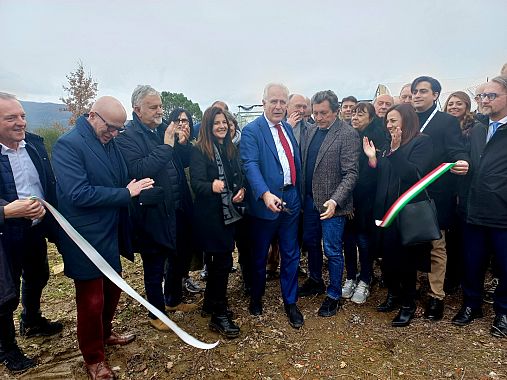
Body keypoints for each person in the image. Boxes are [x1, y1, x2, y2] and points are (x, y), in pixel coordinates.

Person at [52, 96, 153, 380]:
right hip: (83, 235)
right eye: (111, 127)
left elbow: (119, 177)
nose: (115, 134)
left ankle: (106, 333)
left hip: (110, 230)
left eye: (119, 129)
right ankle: (93, 357)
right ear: (92, 116)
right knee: (91, 299)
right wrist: (125, 194)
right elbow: (77, 193)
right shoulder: (68, 145)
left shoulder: (110, 142)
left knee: (113, 288)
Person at [116, 86, 197, 332]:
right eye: (153, 107)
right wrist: (167, 146)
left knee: (178, 255)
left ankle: (172, 300)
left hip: (177, 206)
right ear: (137, 109)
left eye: (160, 106)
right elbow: (140, 170)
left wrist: (182, 145)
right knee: (154, 262)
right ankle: (156, 313)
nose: (160, 111)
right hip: (151, 211)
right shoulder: (126, 137)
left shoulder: (163, 130)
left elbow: (182, 163)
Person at [0, 92, 63, 373]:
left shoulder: (34, 146)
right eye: (11, 117)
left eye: (22, 116)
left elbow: (46, 184)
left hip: (35, 229)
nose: (20, 122)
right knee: (4, 295)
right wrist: (6, 211)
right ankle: (7, 349)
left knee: (38, 275)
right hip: (4, 237)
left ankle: (32, 320)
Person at [240, 83, 304, 328]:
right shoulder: (252, 131)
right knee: (260, 255)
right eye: (273, 101)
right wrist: (264, 194)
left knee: (290, 253)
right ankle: (256, 297)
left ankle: (290, 301)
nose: (278, 106)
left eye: (282, 102)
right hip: (266, 204)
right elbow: (250, 165)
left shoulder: (287, 128)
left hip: (291, 199)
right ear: (263, 102)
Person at [365, 104, 434, 327]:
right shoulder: (388, 144)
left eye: (394, 120)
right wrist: (373, 160)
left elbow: (413, 175)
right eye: (387, 121)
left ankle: (408, 304)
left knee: (406, 261)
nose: (389, 125)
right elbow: (383, 175)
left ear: (407, 120)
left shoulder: (422, 142)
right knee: (386, 258)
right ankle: (393, 295)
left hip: (406, 212)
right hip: (385, 211)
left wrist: (396, 152)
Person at [451, 76, 507, 339]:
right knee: (472, 262)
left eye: (491, 96)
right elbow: (463, 153)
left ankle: (503, 312)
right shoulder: (476, 129)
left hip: (502, 213)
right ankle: (471, 305)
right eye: (482, 96)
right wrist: (461, 162)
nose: (484, 101)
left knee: (505, 266)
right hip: (472, 210)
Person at [411, 76, 469, 321]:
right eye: (414, 91)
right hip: (409, 192)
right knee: (411, 241)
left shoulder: (446, 121)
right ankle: (410, 288)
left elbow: (457, 148)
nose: (417, 95)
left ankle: (436, 295)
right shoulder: (408, 118)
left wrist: (462, 160)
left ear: (436, 95)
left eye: (423, 91)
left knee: (437, 246)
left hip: (437, 193)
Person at [298, 90, 360, 317]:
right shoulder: (312, 130)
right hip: (310, 200)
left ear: (336, 111)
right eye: (315, 113)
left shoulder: (347, 134)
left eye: (323, 113)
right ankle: (315, 279)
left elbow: (351, 173)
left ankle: (334, 293)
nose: (318, 117)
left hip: (333, 204)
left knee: (333, 250)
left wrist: (335, 200)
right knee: (311, 242)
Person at [190, 106, 245, 338]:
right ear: (208, 126)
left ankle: (210, 304)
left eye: (224, 122)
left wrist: (241, 189)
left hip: (229, 214)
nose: (221, 126)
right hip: (211, 217)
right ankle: (219, 315)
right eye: (216, 123)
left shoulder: (229, 147)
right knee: (220, 264)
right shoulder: (199, 151)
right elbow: (196, 183)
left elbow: (238, 175)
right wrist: (211, 186)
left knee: (220, 263)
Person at [342, 102, 389, 304]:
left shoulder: (376, 138)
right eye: (353, 113)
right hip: (347, 198)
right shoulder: (348, 136)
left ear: (371, 118)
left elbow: (375, 173)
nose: (355, 117)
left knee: (363, 239)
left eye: (361, 114)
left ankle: (365, 278)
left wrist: (372, 159)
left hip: (366, 200)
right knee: (348, 240)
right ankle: (351, 276)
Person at [442, 91, 485, 294]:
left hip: (464, 187)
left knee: (461, 237)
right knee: (448, 237)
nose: (454, 107)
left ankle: (460, 277)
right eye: (450, 104)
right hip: (446, 187)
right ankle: (450, 275)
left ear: (467, 106)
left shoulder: (474, 129)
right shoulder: (442, 126)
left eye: (459, 103)